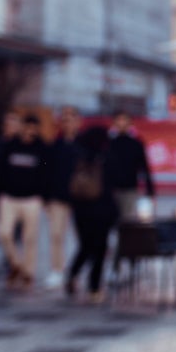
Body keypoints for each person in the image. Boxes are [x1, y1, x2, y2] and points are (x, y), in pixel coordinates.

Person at [0, 113, 47, 290]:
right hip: (9, 197)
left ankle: (28, 273)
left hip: (31, 199)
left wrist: (43, 195)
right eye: (27, 126)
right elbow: (0, 171)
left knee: (29, 239)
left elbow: (47, 172)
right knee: (4, 233)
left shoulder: (41, 148)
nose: (30, 131)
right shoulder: (10, 146)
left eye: (33, 128)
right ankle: (17, 264)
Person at [66, 125, 118, 303]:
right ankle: (94, 287)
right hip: (102, 210)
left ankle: (73, 274)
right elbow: (112, 184)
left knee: (85, 247)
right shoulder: (106, 156)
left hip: (81, 210)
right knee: (100, 248)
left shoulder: (76, 155)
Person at [44, 106, 81, 289]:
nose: (68, 123)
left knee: (82, 238)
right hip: (57, 198)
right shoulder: (55, 146)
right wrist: (46, 198)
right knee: (56, 235)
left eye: (71, 118)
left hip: (81, 199)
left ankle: (76, 272)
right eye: (64, 119)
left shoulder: (84, 144)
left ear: (78, 121)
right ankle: (57, 270)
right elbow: (46, 172)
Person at [105, 111, 154, 219]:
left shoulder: (136, 144)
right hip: (111, 190)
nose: (121, 123)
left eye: (124, 120)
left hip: (130, 189)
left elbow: (144, 166)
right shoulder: (108, 143)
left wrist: (150, 190)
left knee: (127, 222)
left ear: (130, 123)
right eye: (119, 120)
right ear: (114, 123)